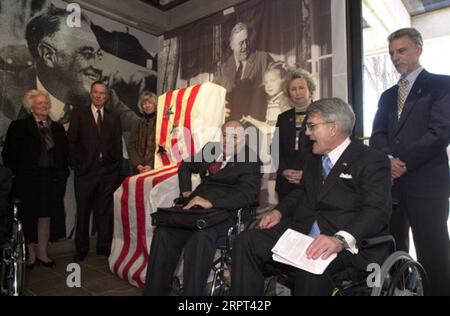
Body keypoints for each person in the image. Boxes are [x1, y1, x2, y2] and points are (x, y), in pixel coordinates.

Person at [232, 98, 392, 296]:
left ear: (333, 128)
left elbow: (376, 211)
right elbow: (302, 192)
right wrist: (279, 211)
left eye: (312, 126)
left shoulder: (371, 160)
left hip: (348, 244)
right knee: (246, 241)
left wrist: (339, 240)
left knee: (312, 264)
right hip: (302, 232)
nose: (307, 133)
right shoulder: (313, 160)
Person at [370, 27, 450, 296]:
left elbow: (440, 133)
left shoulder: (442, 84)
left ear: (419, 48)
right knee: (394, 249)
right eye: (392, 53)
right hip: (391, 186)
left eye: (401, 50)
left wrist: (401, 162)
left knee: (434, 252)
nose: (395, 57)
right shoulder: (387, 96)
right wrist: (388, 161)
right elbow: (377, 135)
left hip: (427, 186)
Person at [144, 120, 262, 296]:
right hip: (195, 209)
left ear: (244, 139)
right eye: (225, 136)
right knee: (164, 232)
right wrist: (185, 191)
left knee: (200, 237)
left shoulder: (250, 160)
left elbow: (247, 195)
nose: (228, 141)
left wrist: (213, 203)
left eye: (234, 137)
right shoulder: (212, 149)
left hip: (223, 213)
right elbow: (185, 166)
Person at [11, 4, 138, 131]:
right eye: (87, 54)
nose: (100, 68)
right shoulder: (8, 94)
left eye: (98, 54)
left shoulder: (103, 97)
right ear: (48, 55)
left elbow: (140, 127)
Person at [2, 89, 69, 268]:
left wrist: (62, 175)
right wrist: (18, 175)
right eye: (39, 103)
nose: (44, 106)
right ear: (31, 108)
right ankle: (30, 254)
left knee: (46, 216)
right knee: (29, 216)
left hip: (51, 180)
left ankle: (43, 253)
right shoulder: (19, 127)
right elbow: (8, 155)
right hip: (27, 180)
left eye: (46, 103)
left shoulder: (57, 128)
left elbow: (64, 155)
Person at [68, 81, 122, 262]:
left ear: (107, 96)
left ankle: (104, 247)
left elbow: (117, 144)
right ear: (91, 94)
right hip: (85, 173)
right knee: (83, 212)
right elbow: (72, 143)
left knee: (105, 212)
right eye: (96, 92)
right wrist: (78, 166)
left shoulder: (114, 117)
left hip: (108, 173)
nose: (99, 96)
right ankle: (81, 249)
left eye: (102, 93)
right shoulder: (79, 114)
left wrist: (114, 165)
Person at [214, 22, 273, 122]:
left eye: (247, 41)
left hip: (256, 126)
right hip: (231, 128)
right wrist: (218, 108)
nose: (245, 46)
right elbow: (212, 95)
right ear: (232, 45)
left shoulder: (263, 59)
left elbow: (279, 84)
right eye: (241, 43)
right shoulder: (223, 69)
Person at [274, 68, 315, 201]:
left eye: (301, 88)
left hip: (312, 181)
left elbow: (326, 150)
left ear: (310, 90)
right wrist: (283, 170)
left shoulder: (322, 115)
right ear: (288, 94)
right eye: (293, 89)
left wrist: (308, 173)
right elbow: (275, 148)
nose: (298, 93)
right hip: (286, 183)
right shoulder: (283, 118)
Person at [127, 91, 157, 174]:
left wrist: (151, 165)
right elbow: (131, 146)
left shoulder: (160, 123)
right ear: (141, 106)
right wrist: (138, 164)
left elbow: (163, 146)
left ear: (155, 104)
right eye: (144, 103)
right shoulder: (136, 123)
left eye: (150, 103)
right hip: (138, 168)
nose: (147, 105)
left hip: (156, 167)